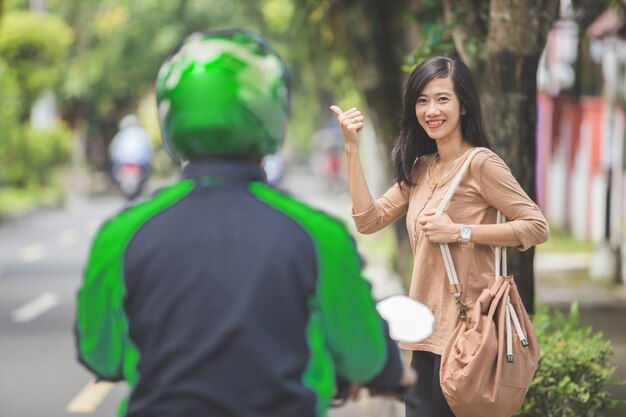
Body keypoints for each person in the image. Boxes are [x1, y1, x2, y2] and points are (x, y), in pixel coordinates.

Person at [75, 28, 415, 417]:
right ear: (271, 114)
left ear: (171, 115)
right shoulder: (318, 234)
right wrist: (391, 372)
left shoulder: (121, 234)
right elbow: (364, 358)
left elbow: (100, 355)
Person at [330, 56, 549, 417]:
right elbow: (369, 220)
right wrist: (352, 149)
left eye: (443, 99)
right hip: (425, 334)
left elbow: (536, 225)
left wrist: (460, 232)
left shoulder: (481, 164)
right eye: (422, 100)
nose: (432, 109)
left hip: (469, 336)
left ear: (464, 105)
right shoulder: (421, 167)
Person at [108, 114, 154, 199]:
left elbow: (112, 151)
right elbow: (149, 149)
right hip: (137, 164)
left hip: (126, 163)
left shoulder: (120, 135)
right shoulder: (142, 133)